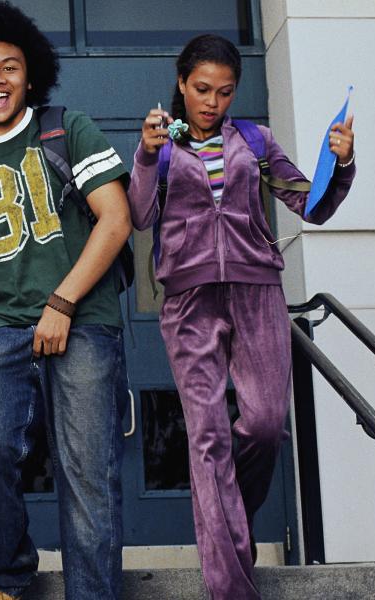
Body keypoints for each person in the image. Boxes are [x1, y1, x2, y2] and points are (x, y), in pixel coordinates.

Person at [126, 34, 356, 600]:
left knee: (265, 423)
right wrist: (147, 154)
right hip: (188, 299)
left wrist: (343, 161)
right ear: (182, 85)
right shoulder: (164, 142)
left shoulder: (255, 141)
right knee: (207, 438)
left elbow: (311, 202)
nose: (212, 102)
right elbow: (138, 213)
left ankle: (230, 520)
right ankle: (231, 587)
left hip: (256, 290)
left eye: (225, 92)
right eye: (202, 89)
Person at [0, 3, 133, 599]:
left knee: (87, 474)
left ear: (30, 75)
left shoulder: (70, 130)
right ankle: (9, 575)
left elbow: (115, 220)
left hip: (83, 319)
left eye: (9, 67)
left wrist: (62, 303)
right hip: (1, 326)